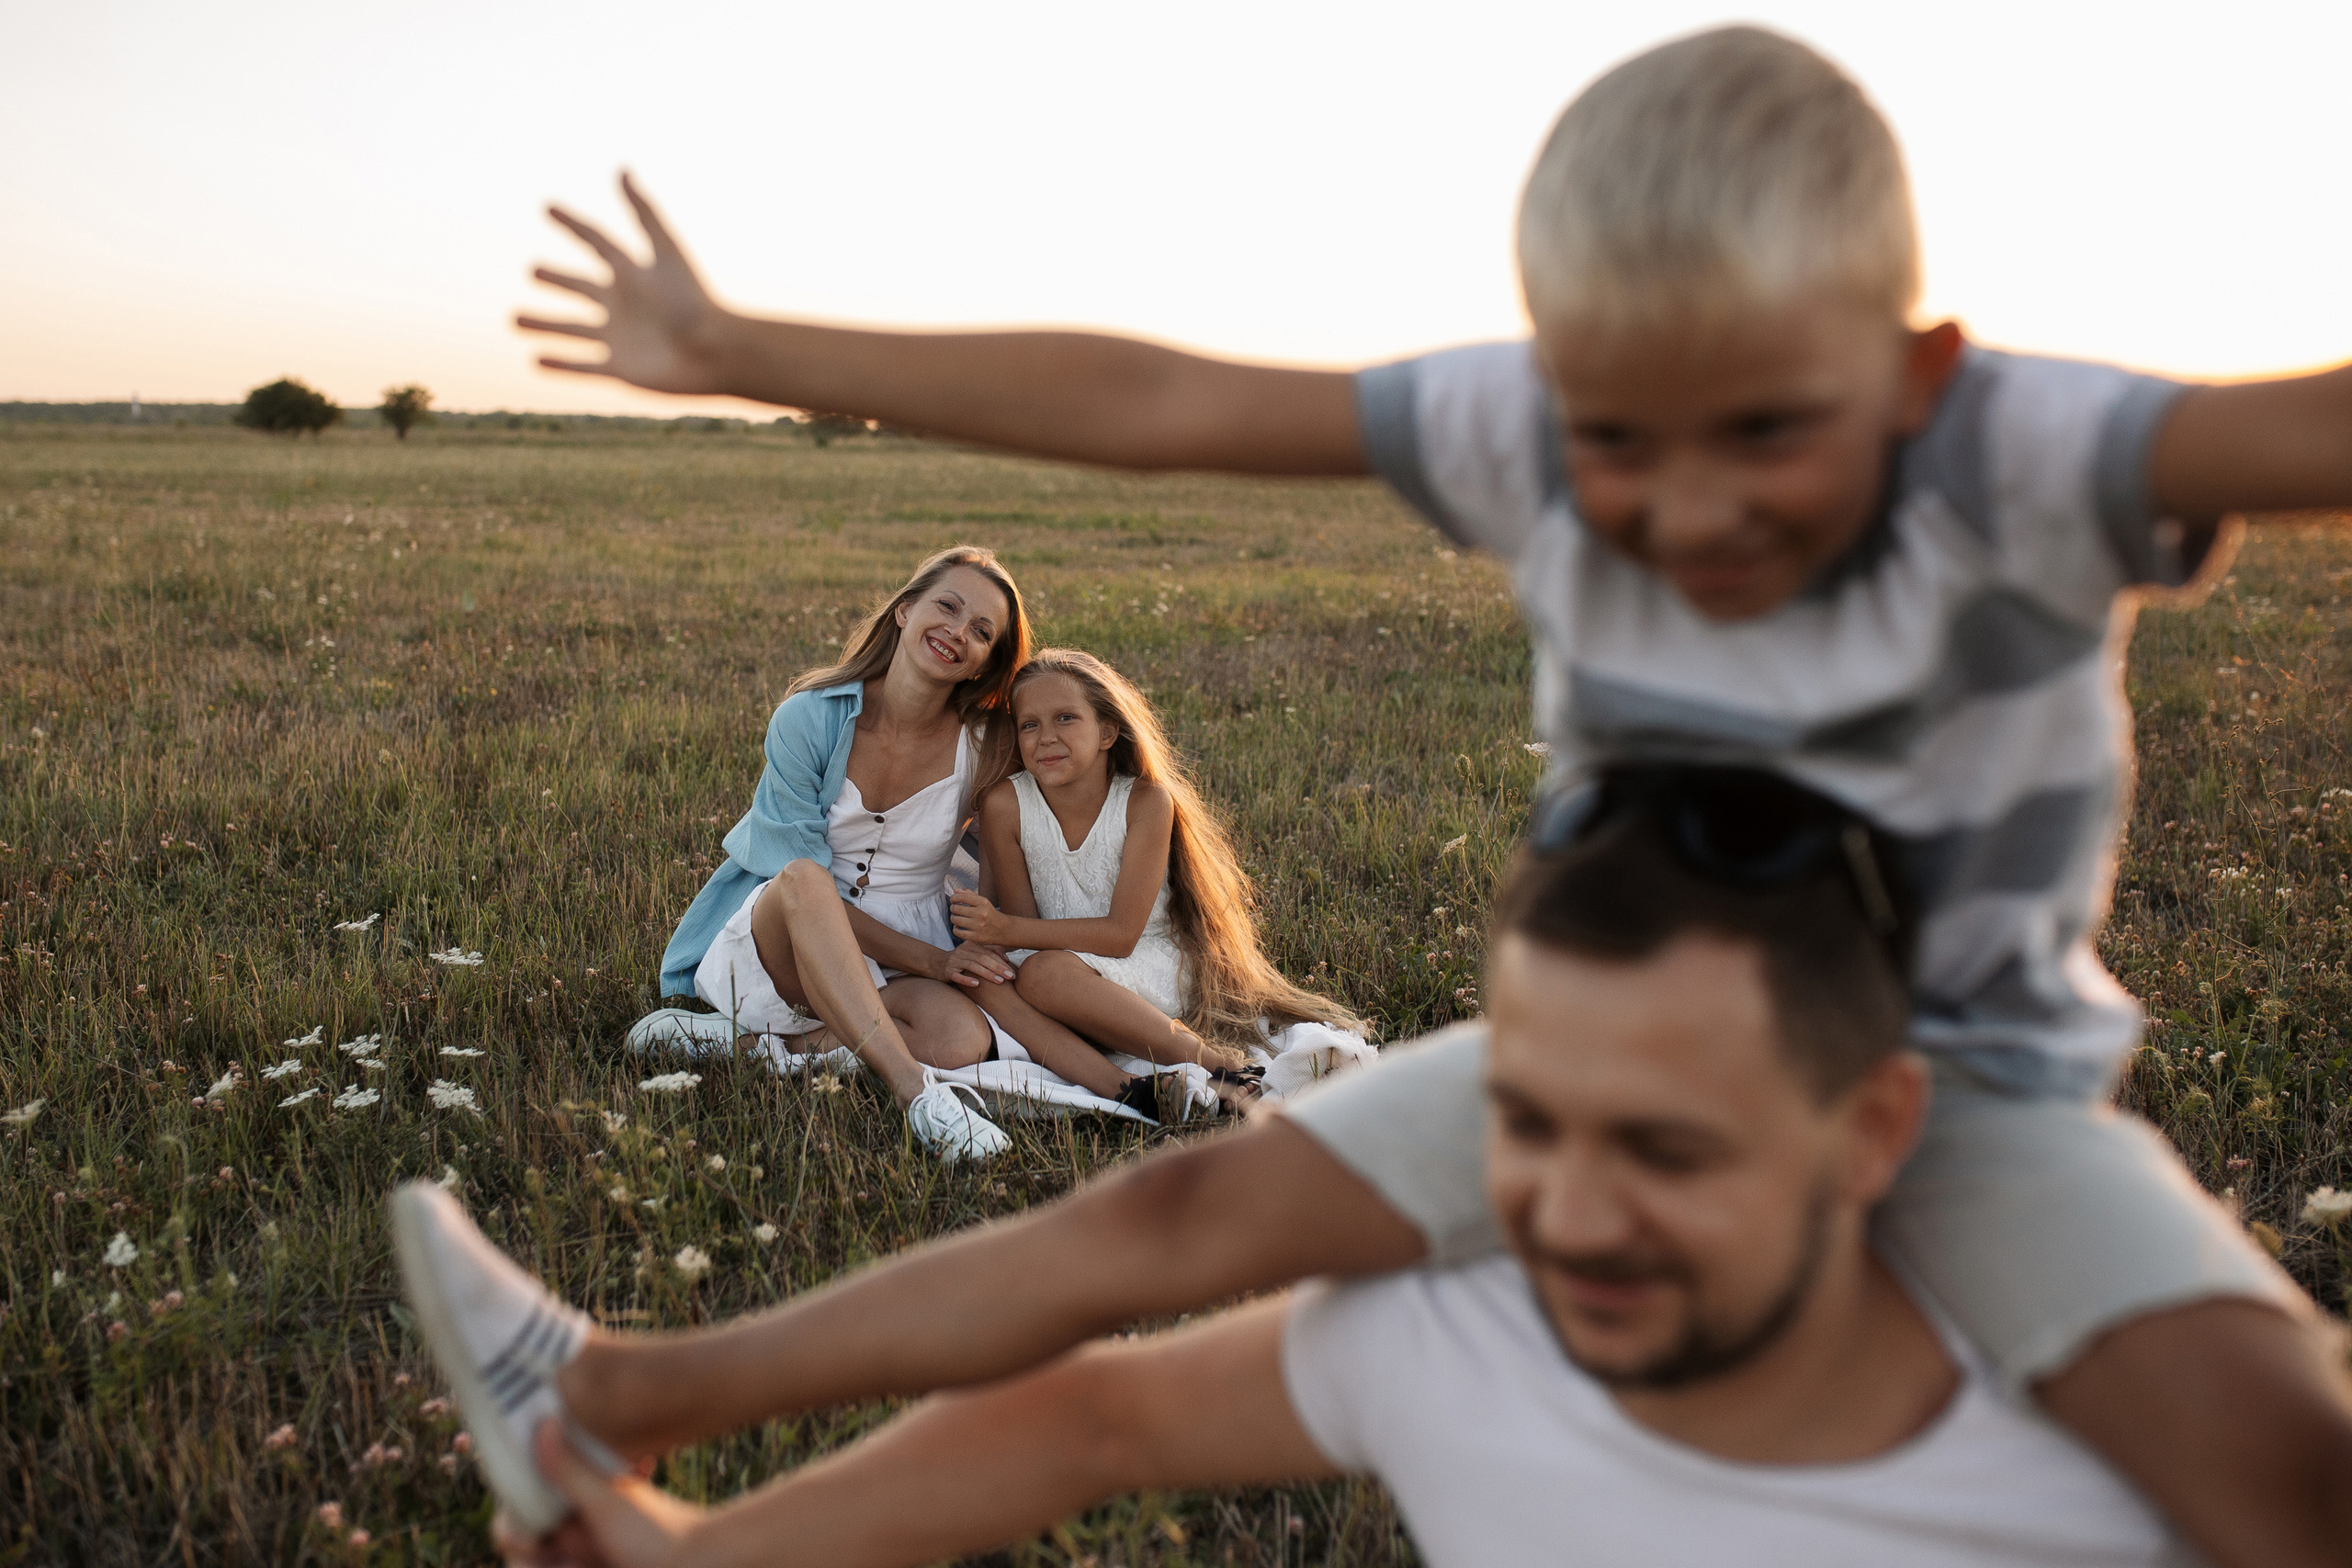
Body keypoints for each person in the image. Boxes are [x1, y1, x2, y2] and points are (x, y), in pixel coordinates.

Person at [514, 25, 2352, 1563]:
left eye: (1769, 435)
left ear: (1915, 370)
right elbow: (1159, 394)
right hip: (1599, 1064)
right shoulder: (1510, 423)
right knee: (1151, 1229)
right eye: (1614, 443)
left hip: (1966, 1082)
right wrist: (747, 350)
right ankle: (634, 1398)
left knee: (2276, 1463)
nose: (1688, 508)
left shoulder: (2027, 449)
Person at [420, 775, 2196, 1566]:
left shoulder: (2128, 1454)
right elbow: (1082, 1426)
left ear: (1876, 1125)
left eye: (1669, 1147)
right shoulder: (1485, 1332)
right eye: (1531, 1124)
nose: (1571, 1213)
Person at [633, 544, 1154, 1160]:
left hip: (910, 931)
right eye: (947, 606)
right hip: (791, 931)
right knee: (805, 877)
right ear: (905, 610)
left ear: (986, 663)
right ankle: (917, 1094)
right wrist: (935, 964)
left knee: (960, 1036)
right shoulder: (809, 716)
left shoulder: (985, 743)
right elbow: (792, 878)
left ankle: (763, 1047)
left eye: (981, 631)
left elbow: (1053, 803)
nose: (957, 631)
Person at [950, 648, 1359, 1110]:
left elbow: (1121, 936)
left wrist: (1003, 930)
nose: (1046, 738)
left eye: (1065, 718)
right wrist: (992, 936)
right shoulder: (1006, 804)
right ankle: (1129, 1091)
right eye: (1030, 724)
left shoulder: (1145, 803)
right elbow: (1024, 927)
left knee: (1044, 975)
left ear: (1108, 731)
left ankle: (1215, 1063)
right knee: (986, 979)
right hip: (1055, 967)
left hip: (1146, 961)